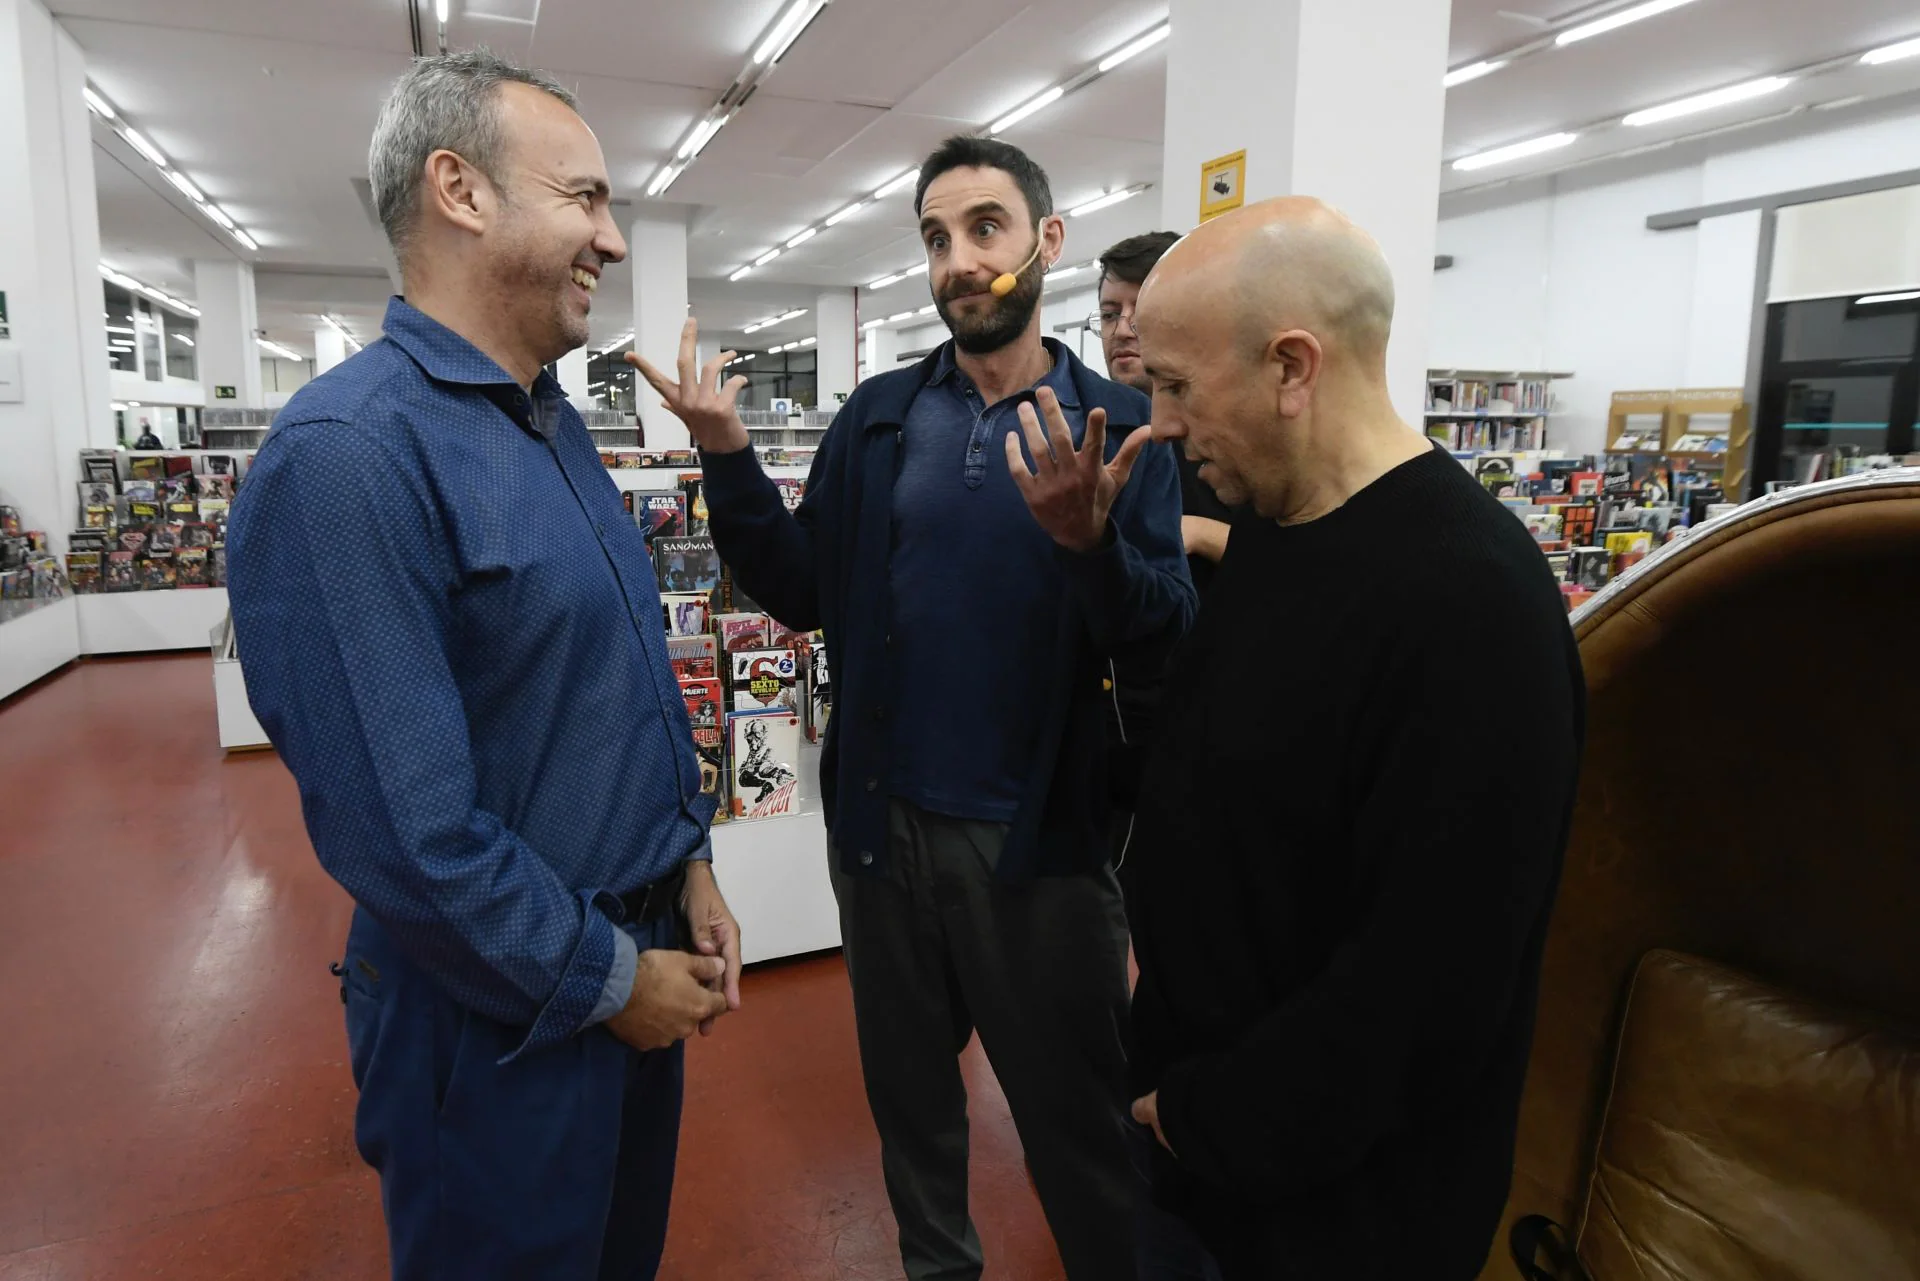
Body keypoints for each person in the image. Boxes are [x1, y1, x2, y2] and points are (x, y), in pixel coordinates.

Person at [633, 135, 1196, 1281]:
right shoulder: (883, 420)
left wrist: (1092, 548)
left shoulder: (1119, 424)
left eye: (984, 227)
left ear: (1046, 241)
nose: (957, 261)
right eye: (936, 237)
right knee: (913, 1112)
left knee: (1077, 1127)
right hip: (882, 841)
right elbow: (799, 590)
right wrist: (730, 457)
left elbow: (1164, 637)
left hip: (1041, 852)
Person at [226, 52, 739, 1281]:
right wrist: (612, 980)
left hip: (634, 964)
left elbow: (611, 684)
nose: (613, 241)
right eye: (586, 198)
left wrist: (693, 862)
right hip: (500, 1025)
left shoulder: (547, 422)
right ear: (459, 190)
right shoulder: (346, 457)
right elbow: (410, 836)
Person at [1122, 197, 1585, 1279]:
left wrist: (1199, 1117)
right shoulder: (1279, 532)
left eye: (1179, 385)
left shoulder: (1474, 608)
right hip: (1204, 1166)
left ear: (1293, 367)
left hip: (1334, 1220)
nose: (1164, 423)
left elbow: (1425, 992)